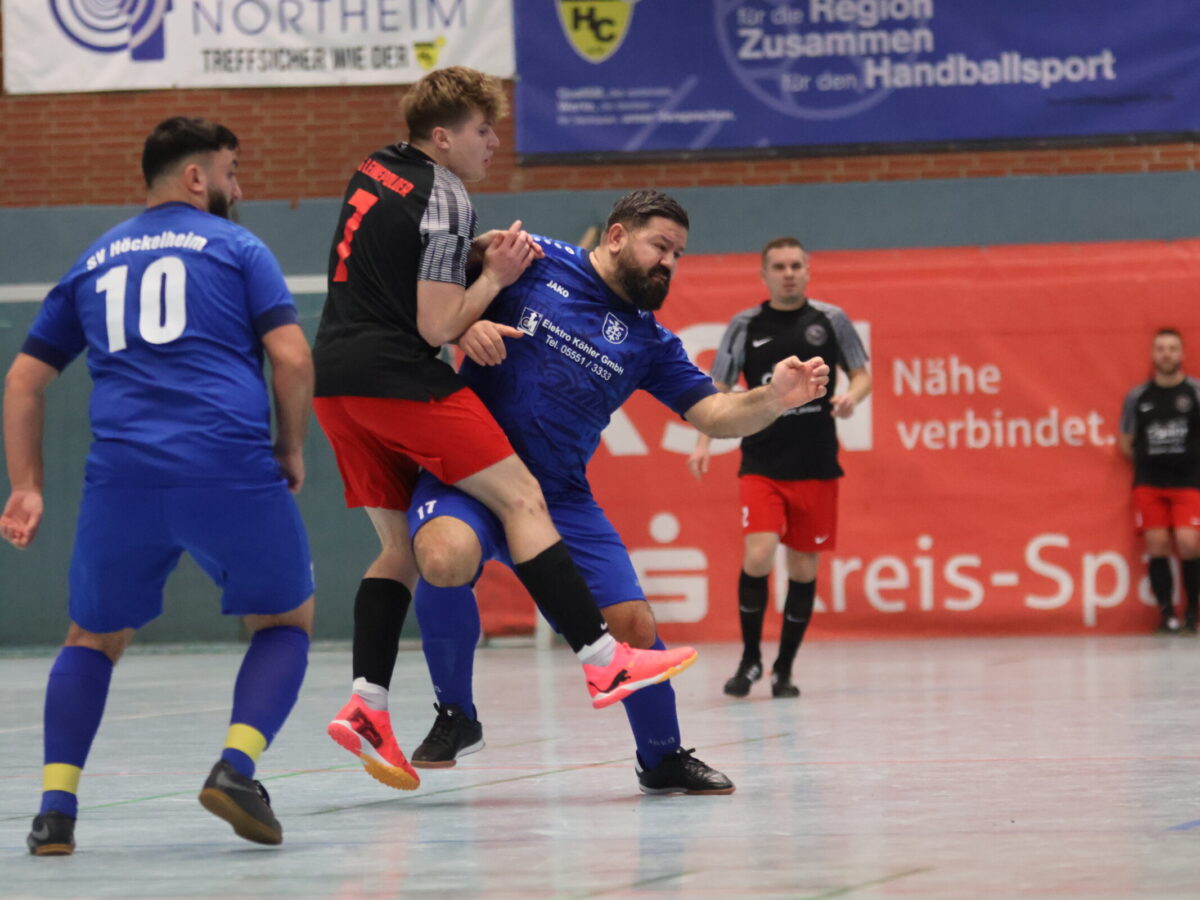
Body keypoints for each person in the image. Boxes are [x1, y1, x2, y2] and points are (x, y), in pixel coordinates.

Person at [311, 69, 696, 791]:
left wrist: (471, 268)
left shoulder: (376, 167)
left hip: (334, 380)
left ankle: (367, 704)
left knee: (399, 551)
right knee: (522, 496)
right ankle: (601, 660)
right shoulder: (448, 193)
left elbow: (400, 271)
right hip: (400, 379)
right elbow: (436, 324)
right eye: (483, 130)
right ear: (442, 137)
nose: (493, 143)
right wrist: (488, 284)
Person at [401, 190, 830, 793]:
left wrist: (775, 399)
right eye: (661, 246)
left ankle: (662, 758)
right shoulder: (533, 258)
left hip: (558, 496)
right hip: (471, 471)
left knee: (631, 622)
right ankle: (456, 714)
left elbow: (714, 414)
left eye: (678, 254)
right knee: (444, 555)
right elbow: (431, 300)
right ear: (617, 236)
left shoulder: (650, 342)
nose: (669, 263)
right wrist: (465, 324)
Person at [2, 117, 316, 854]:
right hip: (228, 465)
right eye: (231, 172)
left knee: (92, 637)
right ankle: (236, 768)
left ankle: (55, 813)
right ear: (196, 178)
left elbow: (23, 381)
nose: (239, 188)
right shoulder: (238, 248)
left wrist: (26, 485)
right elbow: (293, 358)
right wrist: (290, 445)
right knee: (285, 621)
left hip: (123, 479)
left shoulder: (93, 259)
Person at [688, 237, 870, 700]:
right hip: (762, 460)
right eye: (779, 267)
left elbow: (862, 374)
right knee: (759, 554)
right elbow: (717, 388)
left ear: (807, 271)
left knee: (804, 568)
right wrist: (704, 440)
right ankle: (750, 659)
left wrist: (852, 397)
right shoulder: (745, 325)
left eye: (795, 266)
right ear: (764, 275)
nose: (788, 274)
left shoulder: (831, 320)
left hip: (816, 463)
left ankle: (784, 668)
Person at [1118, 328, 1200, 634]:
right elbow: (1125, 441)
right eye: (1161, 349)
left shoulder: (1195, 393)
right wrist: (1150, 460)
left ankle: (1192, 613)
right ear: (1153, 355)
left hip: (1189, 481)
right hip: (1149, 482)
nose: (1166, 354)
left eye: (1172, 348)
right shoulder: (1138, 397)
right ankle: (1166, 615)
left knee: (1189, 542)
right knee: (1158, 544)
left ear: (1182, 354)